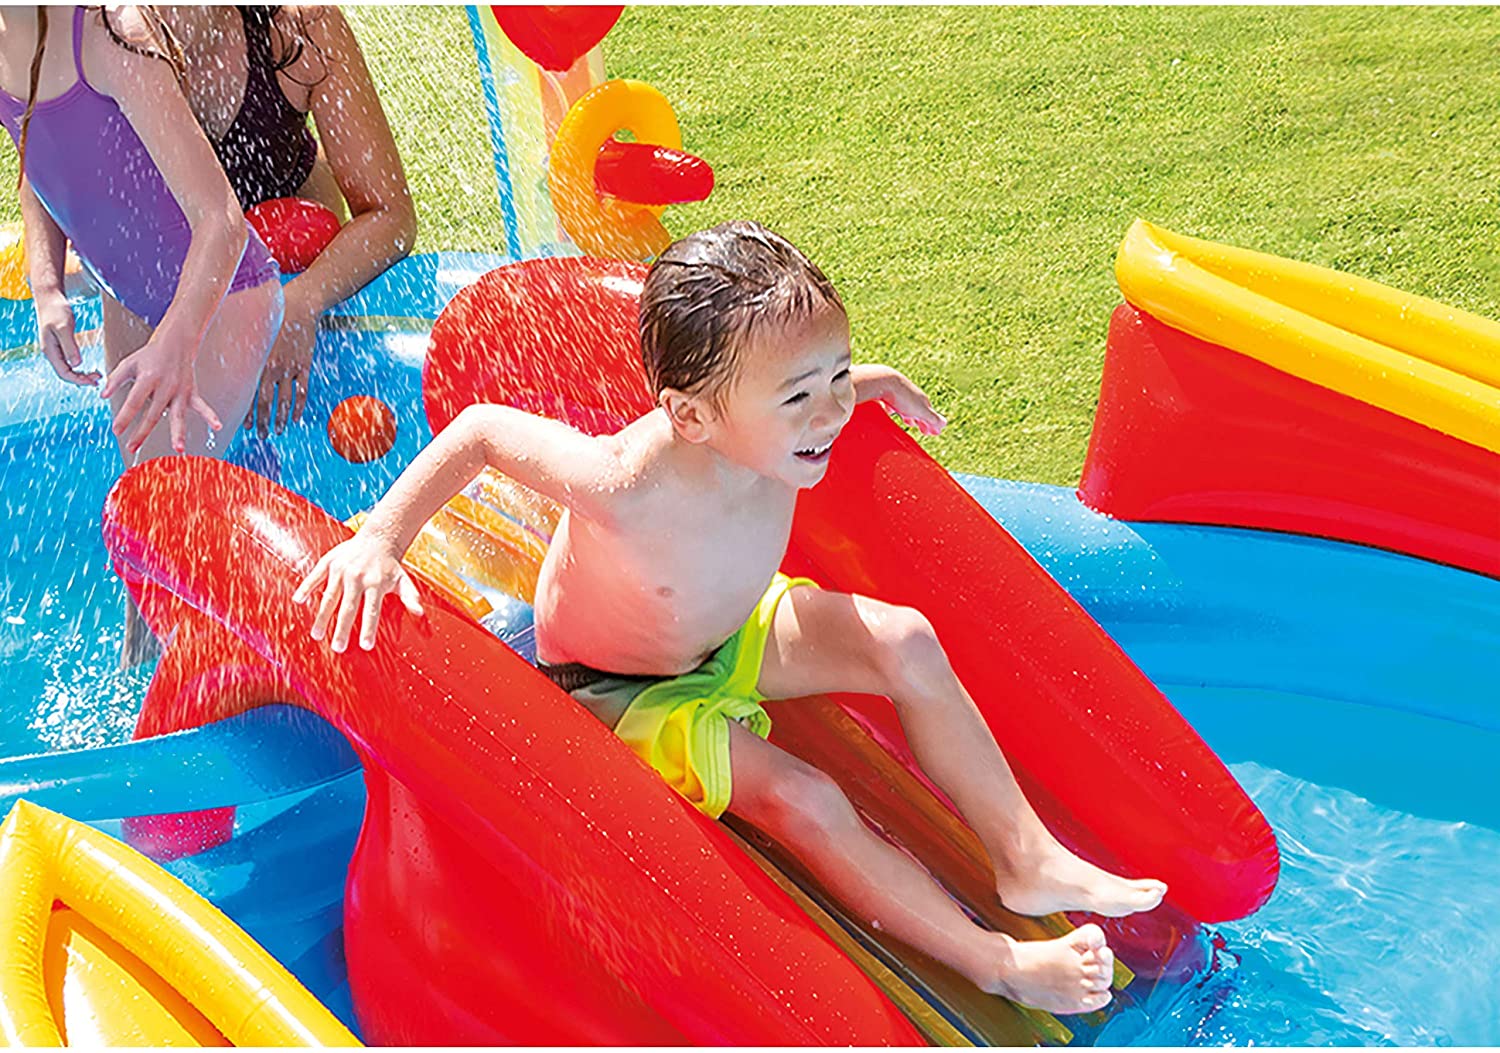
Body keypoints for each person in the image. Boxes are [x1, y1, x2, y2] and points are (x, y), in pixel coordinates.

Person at [294, 221, 1167, 1015]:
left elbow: (800, 393)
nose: (829, 412)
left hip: (730, 629)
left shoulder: (759, 423)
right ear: (690, 417)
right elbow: (481, 429)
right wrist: (380, 540)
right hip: (625, 691)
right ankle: (994, 959)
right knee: (806, 798)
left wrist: (868, 384)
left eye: (836, 375)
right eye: (803, 398)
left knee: (907, 637)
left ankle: (1022, 854)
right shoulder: (625, 484)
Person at [0, 6, 283, 664]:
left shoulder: (107, 35)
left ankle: (201, 698)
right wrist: (45, 287)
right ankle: (141, 686)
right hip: (132, 303)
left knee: (157, 516)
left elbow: (221, 221)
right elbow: (35, 158)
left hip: (220, 299)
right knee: (142, 530)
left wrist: (177, 344)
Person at [162, 5, 416, 437]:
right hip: (177, 270)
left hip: (293, 249)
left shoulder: (300, 27)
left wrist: (302, 300)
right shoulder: (110, 38)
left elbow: (391, 217)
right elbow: (38, 135)